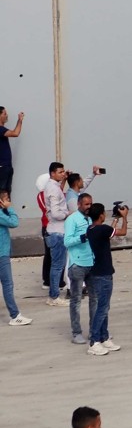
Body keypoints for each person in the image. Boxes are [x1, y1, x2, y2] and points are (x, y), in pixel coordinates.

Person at [85, 202, 126, 355]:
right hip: (104, 273)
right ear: (101, 215)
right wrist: (125, 218)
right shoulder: (102, 229)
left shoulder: (91, 229)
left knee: (103, 307)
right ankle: (94, 341)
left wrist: (116, 218)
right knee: (102, 308)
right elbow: (122, 232)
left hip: (96, 272)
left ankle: (104, 337)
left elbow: (110, 231)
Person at [64, 192, 95, 345]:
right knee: (76, 300)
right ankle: (76, 332)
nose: (89, 207)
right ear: (79, 204)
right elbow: (67, 241)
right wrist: (82, 237)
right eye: (86, 204)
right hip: (77, 265)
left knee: (94, 299)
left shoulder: (91, 218)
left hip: (91, 263)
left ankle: (94, 331)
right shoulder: (72, 219)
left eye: (90, 204)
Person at [0, 190, 31, 326]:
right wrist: (10, 209)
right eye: (6, 199)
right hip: (2, 254)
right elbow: (14, 223)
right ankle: (15, 315)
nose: (9, 201)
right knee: (7, 285)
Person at [43, 162, 71, 306]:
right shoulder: (53, 190)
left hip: (55, 230)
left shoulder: (52, 187)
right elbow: (56, 213)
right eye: (60, 172)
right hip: (57, 231)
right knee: (57, 266)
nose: (62, 174)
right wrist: (68, 213)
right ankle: (54, 297)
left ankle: (53, 295)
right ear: (52, 173)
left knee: (56, 265)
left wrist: (65, 179)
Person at [36, 170, 64, 293]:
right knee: (51, 255)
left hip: (51, 227)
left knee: (51, 255)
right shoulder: (43, 195)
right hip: (50, 227)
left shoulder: (51, 191)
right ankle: (49, 281)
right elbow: (51, 209)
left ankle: (51, 280)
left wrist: (64, 180)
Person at [0, 107, 23, 195]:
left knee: (6, 193)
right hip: (2, 167)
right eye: (4, 114)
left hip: (7, 167)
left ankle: (5, 209)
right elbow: (15, 133)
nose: (7, 116)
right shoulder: (0, 129)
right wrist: (20, 120)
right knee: (3, 193)